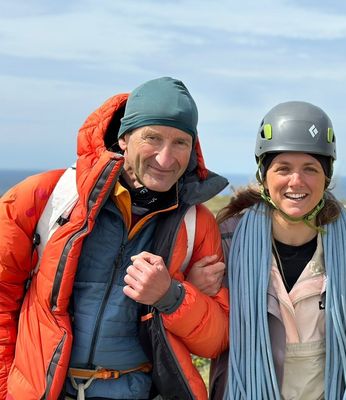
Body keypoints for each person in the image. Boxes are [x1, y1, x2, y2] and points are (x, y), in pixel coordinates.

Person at [0, 77, 230, 400]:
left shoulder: (197, 224)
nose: (166, 159)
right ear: (124, 138)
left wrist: (173, 295)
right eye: (153, 138)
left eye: (180, 142)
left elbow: (218, 338)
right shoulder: (44, 199)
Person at [200, 101, 346, 399]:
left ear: (326, 176)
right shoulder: (228, 242)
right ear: (264, 175)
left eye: (310, 168)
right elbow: (207, 330)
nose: (296, 181)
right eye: (283, 168)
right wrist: (195, 290)